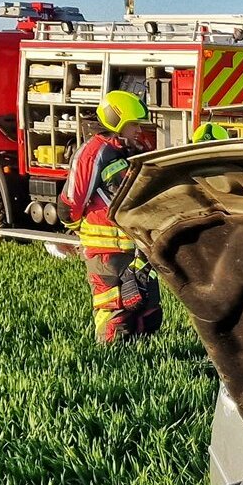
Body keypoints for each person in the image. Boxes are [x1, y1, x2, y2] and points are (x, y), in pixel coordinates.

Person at [61, 90, 161, 344]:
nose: (138, 129)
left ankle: (143, 360)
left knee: (147, 309)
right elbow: (71, 203)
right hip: (106, 252)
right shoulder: (92, 153)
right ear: (116, 121)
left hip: (135, 248)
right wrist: (81, 231)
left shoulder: (131, 151)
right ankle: (108, 358)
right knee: (115, 313)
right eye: (133, 124)